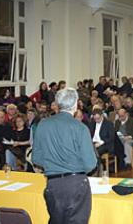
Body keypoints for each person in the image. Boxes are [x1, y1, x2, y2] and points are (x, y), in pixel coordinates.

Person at [32, 88, 97, 224]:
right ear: (75, 105)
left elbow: (36, 158)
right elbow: (90, 164)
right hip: (76, 184)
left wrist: (54, 164)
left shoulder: (43, 125)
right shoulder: (80, 128)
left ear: (57, 104)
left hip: (53, 184)